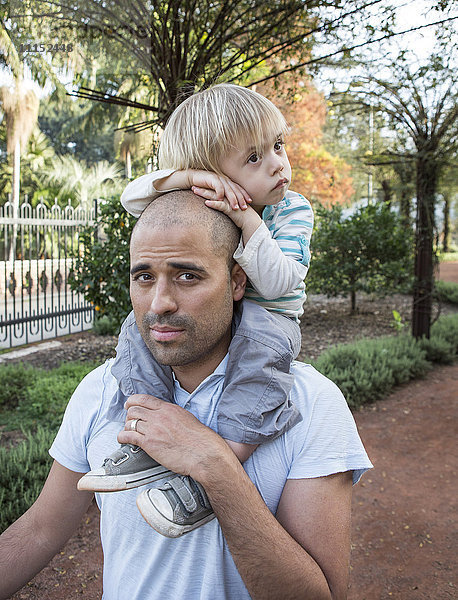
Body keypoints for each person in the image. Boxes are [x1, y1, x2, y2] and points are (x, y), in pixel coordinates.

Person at [0, 192, 372, 600]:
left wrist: (215, 466)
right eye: (144, 276)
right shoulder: (102, 390)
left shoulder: (311, 403)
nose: (159, 303)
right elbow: (39, 530)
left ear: (236, 281)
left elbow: (322, 595)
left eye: (187, 276)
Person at [78, 84, 315, 536]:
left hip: (268, 315)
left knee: (259, 370)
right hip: (214, 311)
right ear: (212, 173)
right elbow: (132, 197)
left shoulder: (290, 211)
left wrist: (246, 222)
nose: (277, 164)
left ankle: (216, 473)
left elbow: (283, 279)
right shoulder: (200, 205)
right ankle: (146, 429)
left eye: (278, 146)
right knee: (137, 333)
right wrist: (186, 181)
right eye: (252, 158)